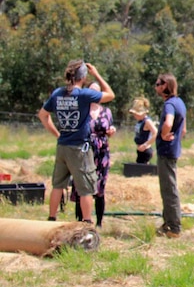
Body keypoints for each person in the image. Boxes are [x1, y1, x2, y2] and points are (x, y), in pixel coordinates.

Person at [38, 60, 115, 224]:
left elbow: (42, 115)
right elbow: (110, 94)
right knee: (86, 188)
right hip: (80, 148)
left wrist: (57, 134)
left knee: (58, 185)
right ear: (84, 76)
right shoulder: (84, 94)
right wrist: (97, 75)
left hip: (62, 146)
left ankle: (51, 219)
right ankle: (87, 223)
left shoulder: (58, 93)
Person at [70, 82, 116, 227]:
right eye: (91, 91)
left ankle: (99, 222)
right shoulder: (80, 109)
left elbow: (110, 127)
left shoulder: (106, 111)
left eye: (97, 91)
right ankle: (81, 221)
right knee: (81, 184)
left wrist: (111, 131)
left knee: (100, 186)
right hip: (83, 150)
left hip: (101, 152)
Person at [154, 73, 186, 238]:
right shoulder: (180, 103)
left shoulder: (169, 105)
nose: (156, 86)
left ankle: (174, 228)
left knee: (169, 190)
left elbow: (168, 122)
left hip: (166, 153)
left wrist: (165, 134)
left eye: (158, 83)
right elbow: (184, 130)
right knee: (168, 188)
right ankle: (168, 223)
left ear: (165, 85)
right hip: (173, 151)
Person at [129, 98, 158, 164]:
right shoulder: (140, 121)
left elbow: (156, 133)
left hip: (146, 150)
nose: (135, 115)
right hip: (140, 150)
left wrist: (145, 145)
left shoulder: (147, 121)